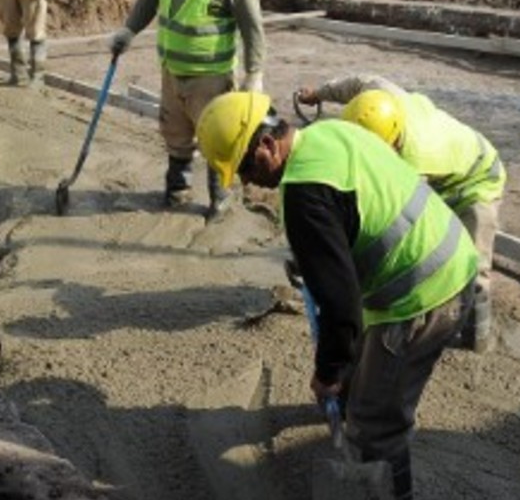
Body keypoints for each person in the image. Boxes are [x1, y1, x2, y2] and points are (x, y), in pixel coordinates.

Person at [196, 91, 477, 500]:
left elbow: (342, 309)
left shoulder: (304, 194)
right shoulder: (331, 132)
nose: (245, 181)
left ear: (267, 144)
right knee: (357, 365)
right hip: (450, 254)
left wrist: (327, 373)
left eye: (244, 167)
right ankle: (353, 397)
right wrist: (320, 254)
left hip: (424, 295)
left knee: (374, 423)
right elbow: (359, 206)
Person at [298, 74, 505, 351]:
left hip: (478, 180)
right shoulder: (380, 96)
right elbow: (356, 83)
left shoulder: (415, 161)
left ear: (392, 143)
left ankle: (476, 340)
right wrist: (319, 94)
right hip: (447, 172)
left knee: (470, 266)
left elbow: (398, 222)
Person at [108, 0, 265, 218]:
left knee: (216, 141)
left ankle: (218, 200)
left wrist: (254, 74)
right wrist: (129, 30)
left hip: (211, 79)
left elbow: (253, 29)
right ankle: (176, 192)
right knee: (175, 135)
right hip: (171, 71)